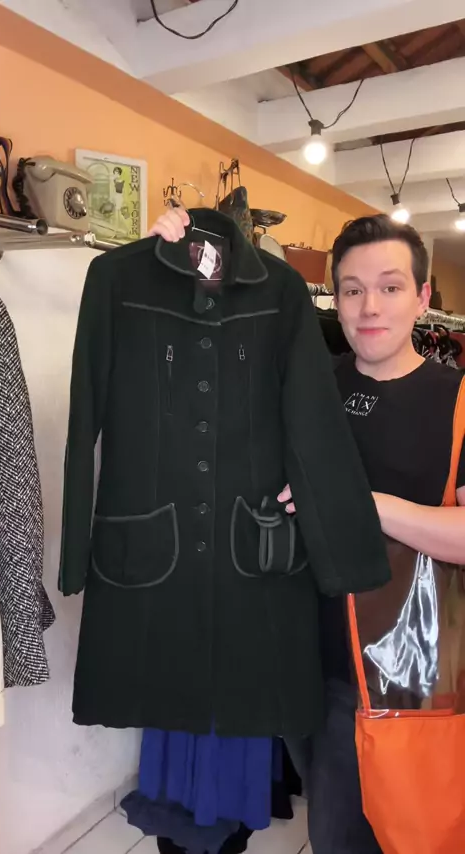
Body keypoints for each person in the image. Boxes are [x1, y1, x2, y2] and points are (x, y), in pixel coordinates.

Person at [148, 207, 465, 853]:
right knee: (333, 825)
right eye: (352, 289)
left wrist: (361, 504)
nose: (369, 306)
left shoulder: (457, 399)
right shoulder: (304, 381)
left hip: (405, 671)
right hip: (294, 656)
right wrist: (175, 268)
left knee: (410, 833)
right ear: (334, 299)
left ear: (422, 296)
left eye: (390, 286)